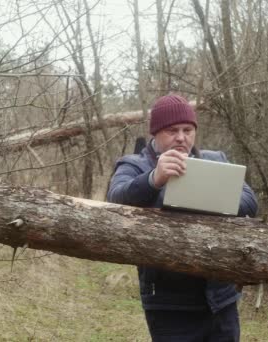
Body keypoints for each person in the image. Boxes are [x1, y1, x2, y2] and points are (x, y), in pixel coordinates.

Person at [107, 94, 258, 341]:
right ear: (155, 133)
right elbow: (116, 198)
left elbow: (250, 201)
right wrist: (154, 179)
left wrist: (205, 199)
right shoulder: (135, 164)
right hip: (169, 303)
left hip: (220, 300)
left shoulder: (215, 160)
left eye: (187, 129)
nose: (181, 137)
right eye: (171, 130)